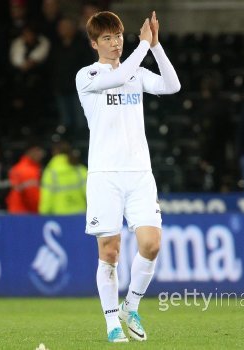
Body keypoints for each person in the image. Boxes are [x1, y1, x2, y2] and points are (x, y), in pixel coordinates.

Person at [75, 11, 180, 343]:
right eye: (106, 38)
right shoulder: (87, 75)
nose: (114, 43)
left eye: (118, 36)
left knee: (151, 243)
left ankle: (130, 306)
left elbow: (172, 85)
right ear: (94, 43)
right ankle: (111, 323)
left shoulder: (135, 72)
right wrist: (143, 47)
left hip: (139, 174)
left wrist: (156, 46)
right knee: (110, 251)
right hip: (105, 174)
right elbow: (119, 78)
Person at [39, 141, 87, 215]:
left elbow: (47, 196)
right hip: (80, 214)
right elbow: (89, 193)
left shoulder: (50, 172)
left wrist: (43, 213)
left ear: (54, 153)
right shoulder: (81, 170)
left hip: (59, 216)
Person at [6, 144, 45, 213]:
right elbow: (32, 196)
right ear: (31, 151)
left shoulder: (18, 167)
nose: (41, 154)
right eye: (38, 151)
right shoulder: (28, 171)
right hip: (25, 213)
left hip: (15, 210)